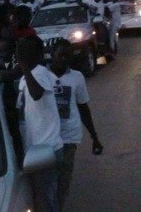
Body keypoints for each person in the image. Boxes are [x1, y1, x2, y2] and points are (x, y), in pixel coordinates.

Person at [49, 39, 103, 210]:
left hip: (68, 138)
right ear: (52, 55)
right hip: (46, 138)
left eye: (68, 55)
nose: (64, 59)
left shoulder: (77, 77)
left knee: (63, 181)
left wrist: (94, 137)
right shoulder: (41, 76)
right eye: (60, 55)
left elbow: (83, 108)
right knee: (47, 181)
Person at [17, 35, 63, 212]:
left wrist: (24, 66)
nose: (20, 54)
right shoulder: (27, 75)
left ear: (36, 55)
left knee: (45, 202)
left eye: (24, 51)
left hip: (45, 151)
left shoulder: (40, 73)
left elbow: (37, 93)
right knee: (39, 200)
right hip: (35, 151)